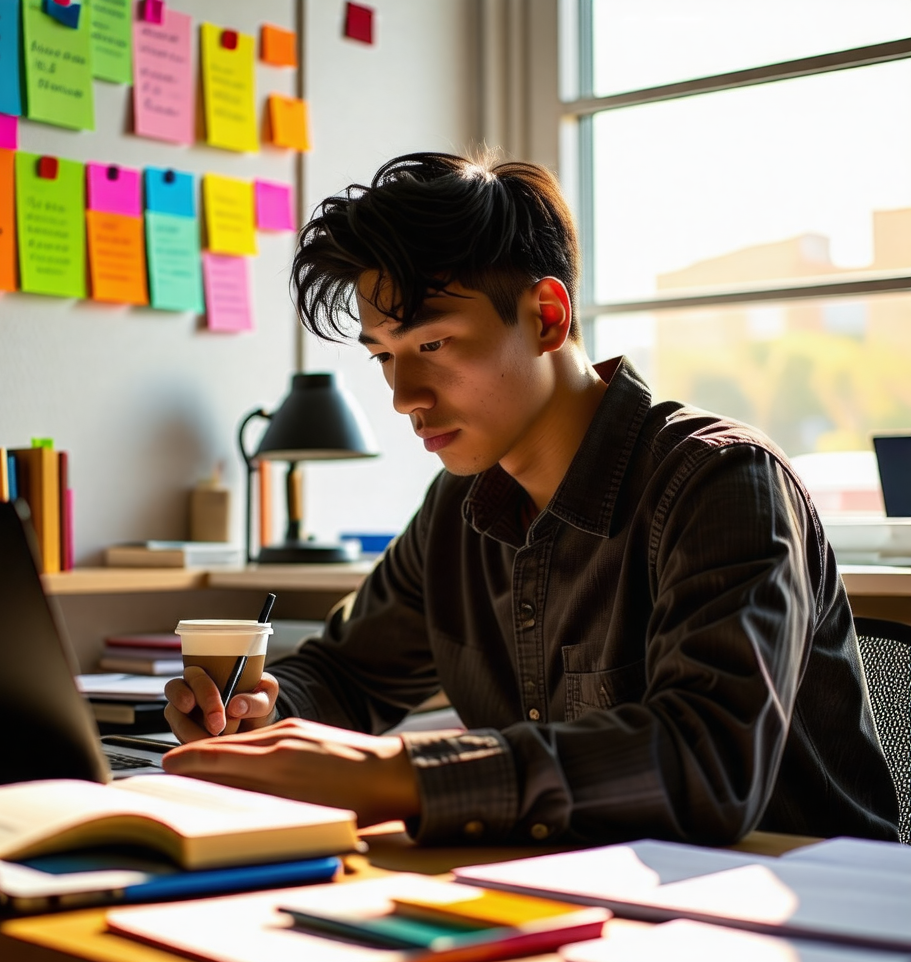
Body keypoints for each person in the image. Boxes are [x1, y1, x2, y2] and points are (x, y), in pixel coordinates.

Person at [163, 152, 899, 846]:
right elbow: (347, 673)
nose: (402, 397)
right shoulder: (459, 509)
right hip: (585, 898)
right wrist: (265, 708)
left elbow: (707, 764)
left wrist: (404, 774)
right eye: (385, 356)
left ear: (547, 316)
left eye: (433, 345)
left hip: (800, 925)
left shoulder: (722, 483)